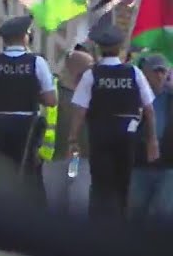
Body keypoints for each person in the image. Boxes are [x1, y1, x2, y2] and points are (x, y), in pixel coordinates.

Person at [67, 23, 158, 219]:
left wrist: (72, 139)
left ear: (99, 49)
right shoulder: (134, 73)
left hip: (100, 135)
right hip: (127, 136)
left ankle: (99, 230)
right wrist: (152, 140)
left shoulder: (92, 75)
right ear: (120, 48)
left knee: (100, 185)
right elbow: (149, 109)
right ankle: (120, 228)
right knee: (122, 185)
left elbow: (80, 110)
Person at [0, 15, 57, 209]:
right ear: (24, 37)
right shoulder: (37, 62)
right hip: (27, 128)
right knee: (29, 177)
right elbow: (51, 100)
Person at [40, 49, 95, 217]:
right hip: (54, 158)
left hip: (81, 159)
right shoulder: (53, 90)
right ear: (74, 69)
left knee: (79, 204)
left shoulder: (94, 92)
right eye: (88, 68)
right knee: (55, 207)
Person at [129, 53, 173, 224]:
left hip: (168, 166)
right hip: (140, 164)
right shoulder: (134, 98)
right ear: (144, 73)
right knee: (136, 211)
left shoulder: (170, 99)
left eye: (163, 71)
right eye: (156, 71)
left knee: (163, 212)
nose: (160, 75)